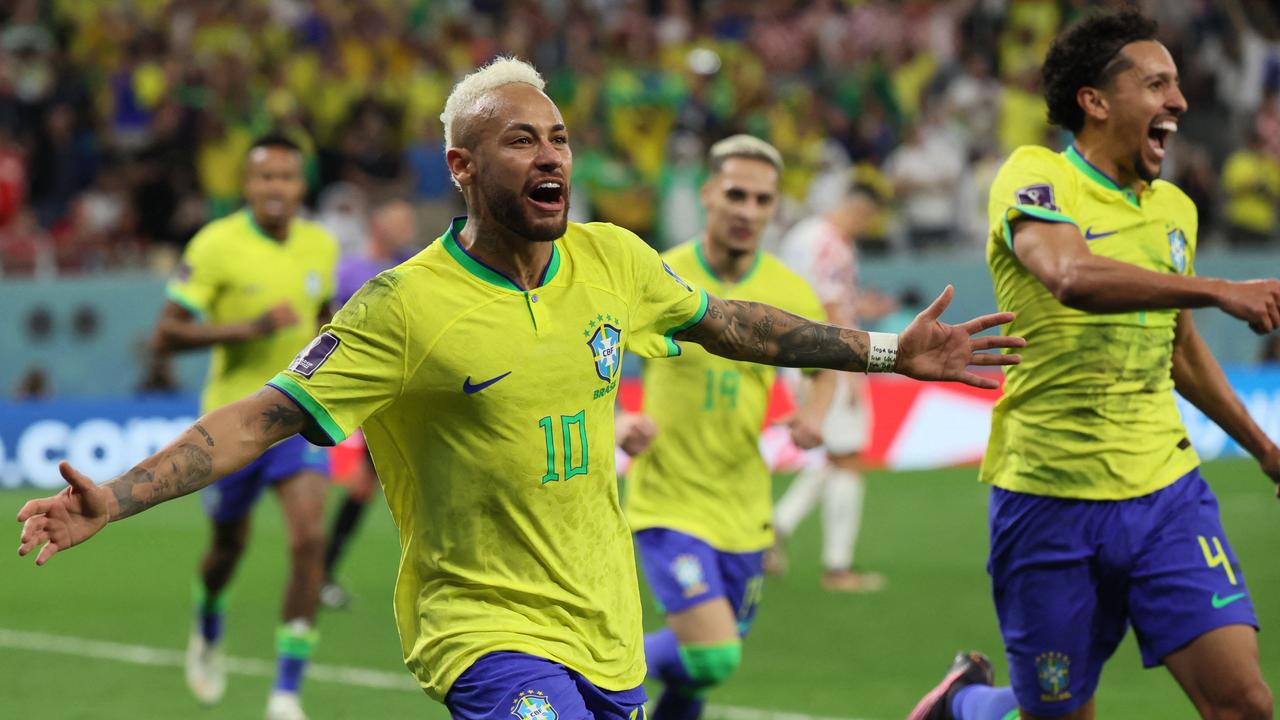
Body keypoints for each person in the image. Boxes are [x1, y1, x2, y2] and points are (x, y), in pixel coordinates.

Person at [17, 58, 1024, 719]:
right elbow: (261, 417)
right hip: (479, 629)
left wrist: (888, 353)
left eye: (558, 140)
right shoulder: (402, 307)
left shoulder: (612, 260)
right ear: (461, 165)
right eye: (519, 141)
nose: (551, 157)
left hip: (602, 618)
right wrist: (121, 493)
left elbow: (730, 323)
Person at [909, 11, 1280, 720]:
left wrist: (1266, 450)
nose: (1179, 101)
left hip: (1165, 492)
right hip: (1048, 499)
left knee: (1245, 704)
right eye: (1157, 83)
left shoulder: (1174, 209)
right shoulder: (1034, 174)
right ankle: (967, 706)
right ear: (1096, 100)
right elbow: (1071, 278)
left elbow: (1180, 352)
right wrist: (1218, 289)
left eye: (1177, 84)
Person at [623, 134, 836, 717]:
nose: (748, 211)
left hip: (745, 504)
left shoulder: (790, 292)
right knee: (713, 654)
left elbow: (826, 369)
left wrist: (812, 416)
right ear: (708, 194)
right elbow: (589, 354)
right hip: (668, 499)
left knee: (698, 675)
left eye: (762, 200)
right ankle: (588, 674)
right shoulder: (661, 275)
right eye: (736, 194)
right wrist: (618, 419)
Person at [152, 134, 338, 720]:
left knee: (310, 539)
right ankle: (209, 619)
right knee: (228, 546)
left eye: (286, 177)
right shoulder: (216, 245)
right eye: (264, 178)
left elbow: (325, 318)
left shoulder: (321, 245)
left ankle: (286, 692)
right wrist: (247, 327)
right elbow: (166, 334)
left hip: (298, 416)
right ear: (246, 185)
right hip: (232, 423)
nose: (275, 188)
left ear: (301, 185)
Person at [769, 185, 885, 592]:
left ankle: (776, 525)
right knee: (848, 457)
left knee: (832, 455)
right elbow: (832, 304)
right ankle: (838, 568)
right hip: (827, 357)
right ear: (856, 211)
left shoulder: (801, 236)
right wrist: (851, 366)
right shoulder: (832, 244)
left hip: (795, 352)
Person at [320, 198, 420, 610]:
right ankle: (321, 572)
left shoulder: (412, 265)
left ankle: (322, 572)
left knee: (367, 484)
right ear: (378, 224)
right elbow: (332, 327)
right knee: (372, 482)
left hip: (412, 389)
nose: (408, 227)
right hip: (375, 390)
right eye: (400, 219)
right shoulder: (351, 271)